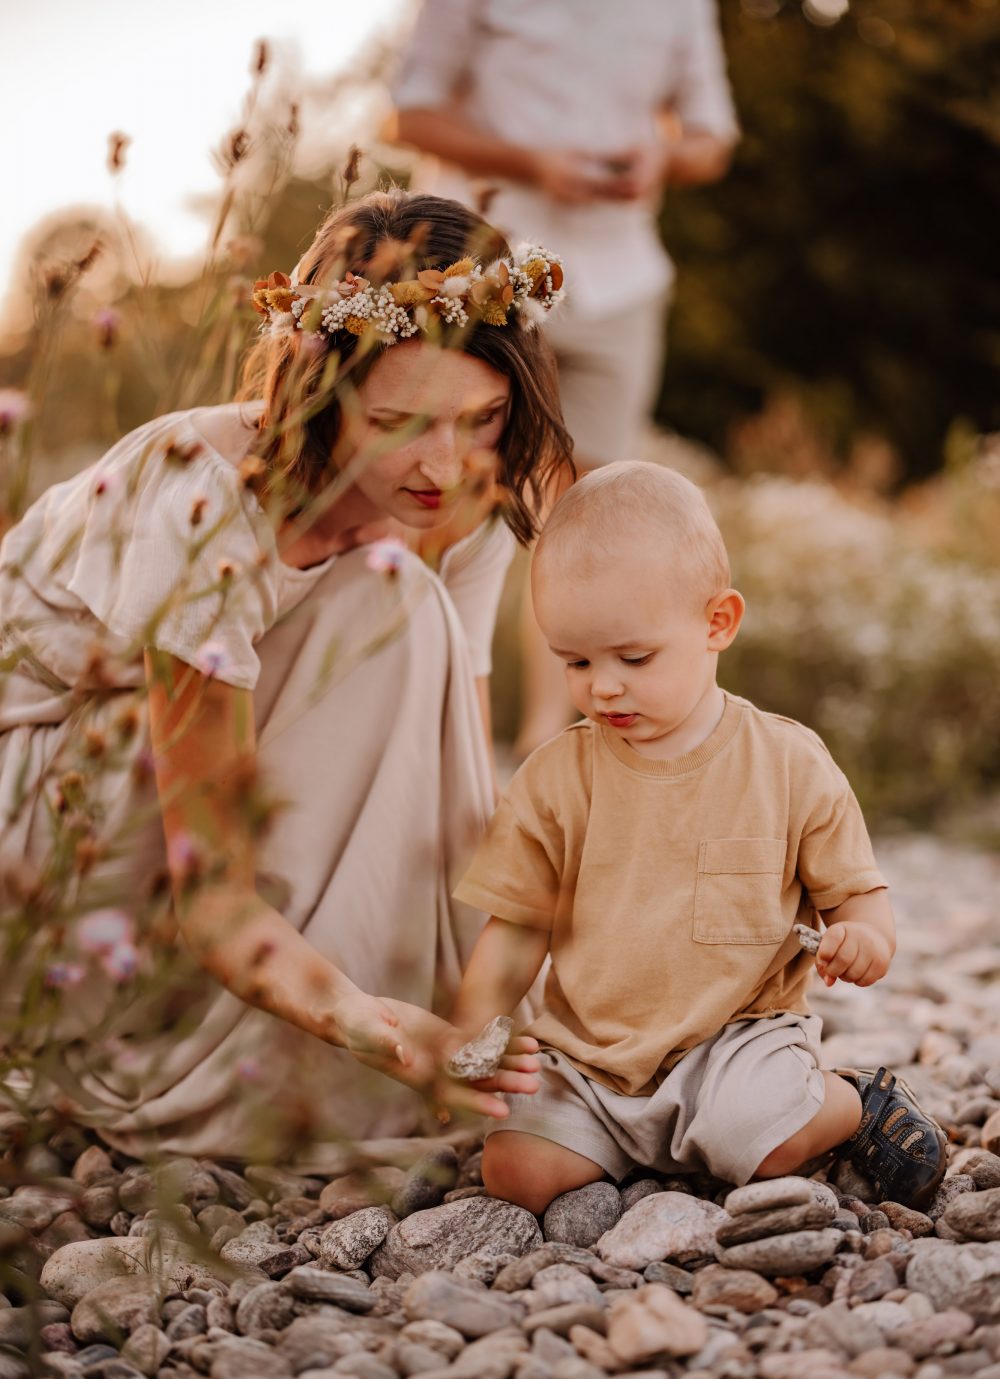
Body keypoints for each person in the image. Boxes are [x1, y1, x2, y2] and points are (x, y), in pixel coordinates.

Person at [0, 191, 567, 1165]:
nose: (443, 464)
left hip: (207, 814)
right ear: (313, 391)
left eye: (480, 419)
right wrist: (376, 1029)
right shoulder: (201, 496)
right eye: (398, 422)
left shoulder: (466, 489)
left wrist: (494, 1006)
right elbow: (212, 888)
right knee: (383, 600)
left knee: (398, 606)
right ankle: (235, 1063)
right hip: (61, 833)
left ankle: (408, 1032)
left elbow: (455, 792)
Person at [447, 461, 947, 1212]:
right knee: (514, 1172)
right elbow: (517, 930)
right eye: (575, 662)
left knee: (769, 1139)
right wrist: (469, 1031)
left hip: (734, 1043)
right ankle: (650, 1144)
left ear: (717, 623)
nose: (602, 686)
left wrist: (865, 941)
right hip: (589, 1055)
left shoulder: (785, 762)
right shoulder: (555, 779)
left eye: (633, 658)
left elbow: (860, 901)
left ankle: (851, 1101)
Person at [387, 0, 740, 752]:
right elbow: (410, 114)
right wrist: (534, 164)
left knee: (585, 521)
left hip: (621, 280)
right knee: (449, 490)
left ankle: (554, 738)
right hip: (483, 266)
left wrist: (663, 160)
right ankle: (427, 720)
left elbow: (712, 139)